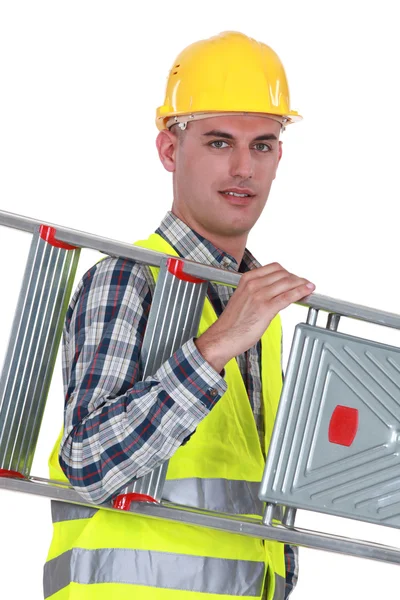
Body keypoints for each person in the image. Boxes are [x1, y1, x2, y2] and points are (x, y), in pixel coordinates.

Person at [44, 31, 315, 600]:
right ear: (170, 150)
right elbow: (87, 462)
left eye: (262, 145)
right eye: (220, 143)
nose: (244, 167)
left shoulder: (260, 311)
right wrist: (213, 348)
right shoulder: (127, 278)